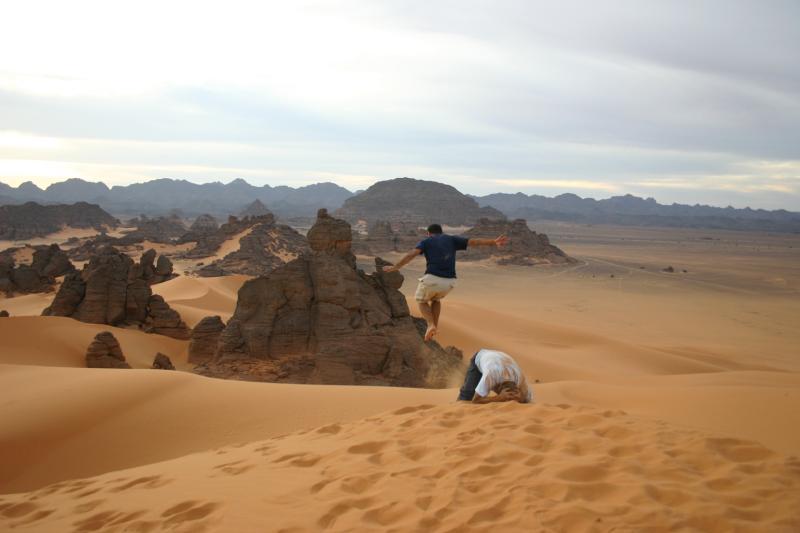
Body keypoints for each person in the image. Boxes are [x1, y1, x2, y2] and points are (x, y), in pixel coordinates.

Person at [382, 223, 508, 341]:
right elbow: (474, 242)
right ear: (441, 232)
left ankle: (430, 325)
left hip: (432, 278)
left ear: (429, 233)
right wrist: (493, 241)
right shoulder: (452, 239)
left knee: (421, 301)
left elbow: (412, 254)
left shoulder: (426, 241)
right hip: (450, 282)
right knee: (435, 300)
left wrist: (396, 267)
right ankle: (435, 327)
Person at [457, 348, 533, 404]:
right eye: (509, 398)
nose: (512, 400)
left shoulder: (520, 378)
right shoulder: (491, 376)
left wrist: (521, 398)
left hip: (498, 359)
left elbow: (528, 401)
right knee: (466, 396)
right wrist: (499, 398)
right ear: (498, 388)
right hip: (479, 358)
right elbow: (476, 400)